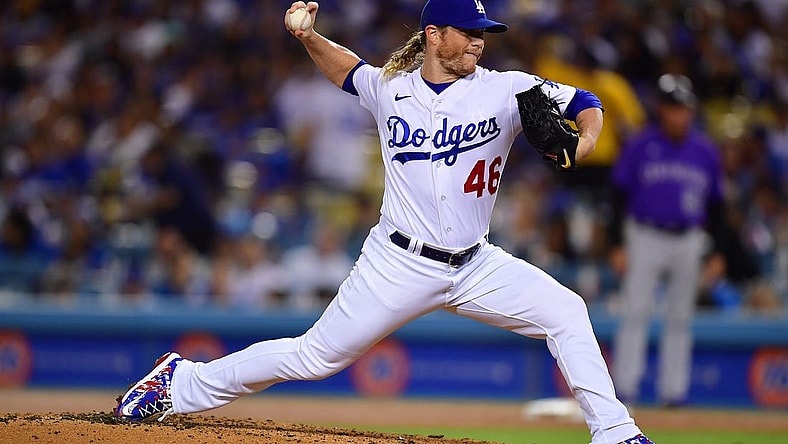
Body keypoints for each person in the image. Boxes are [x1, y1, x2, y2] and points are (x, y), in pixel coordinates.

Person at [115, 2, 654, 443]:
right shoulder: (390, 88)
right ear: (434, 35)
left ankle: (615, 431)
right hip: (398, 260)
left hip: (476, 262)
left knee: (565, 309)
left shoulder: (505, 88)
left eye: (483, 33)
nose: (479, 42)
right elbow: (349, 70)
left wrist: (584, 139)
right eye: (468, 33)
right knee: (313, 357)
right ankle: (179, 384)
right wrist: (308, 38)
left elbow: (586, 100)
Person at [609, 73, 726, 407]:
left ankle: (674, 393)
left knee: (680, 318)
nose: (679, 114)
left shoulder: (704, 150)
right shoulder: (641, 145)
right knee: (635, 313)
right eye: (673, 107)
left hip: (689, 238)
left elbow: (717, 206)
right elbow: (617, 197)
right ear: (661, 109)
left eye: (684, 108)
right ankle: (625, 391)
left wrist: (718, 250)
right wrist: (617, 244)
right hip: (644, 235)